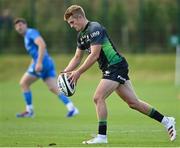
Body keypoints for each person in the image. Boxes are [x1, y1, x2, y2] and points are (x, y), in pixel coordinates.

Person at [62, 5, 176, 144]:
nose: (71, 26)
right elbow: (77, 58)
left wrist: (78, 72)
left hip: (115, 66)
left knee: (98, 97)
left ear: (79, 17)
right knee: (133, 103)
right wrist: (65, 72)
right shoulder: (81, 36)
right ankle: (167, 121)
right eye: (70, 24)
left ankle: (102, 137)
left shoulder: (94, 28)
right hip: (111, 69)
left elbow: (94, 55)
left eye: (72, 22)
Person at [14, 18, 79, 118]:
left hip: (43, 63)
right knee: (53, 88)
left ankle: (29, 111)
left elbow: (42, 45)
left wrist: (39, 62)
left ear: (26, 25)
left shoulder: (30, 32)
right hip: (47, 62)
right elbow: (34, 53)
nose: (19, 27)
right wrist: (34, 63)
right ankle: (72, 108)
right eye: (17, 25)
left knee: (24, 83)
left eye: (21, 24)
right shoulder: (26, 37)